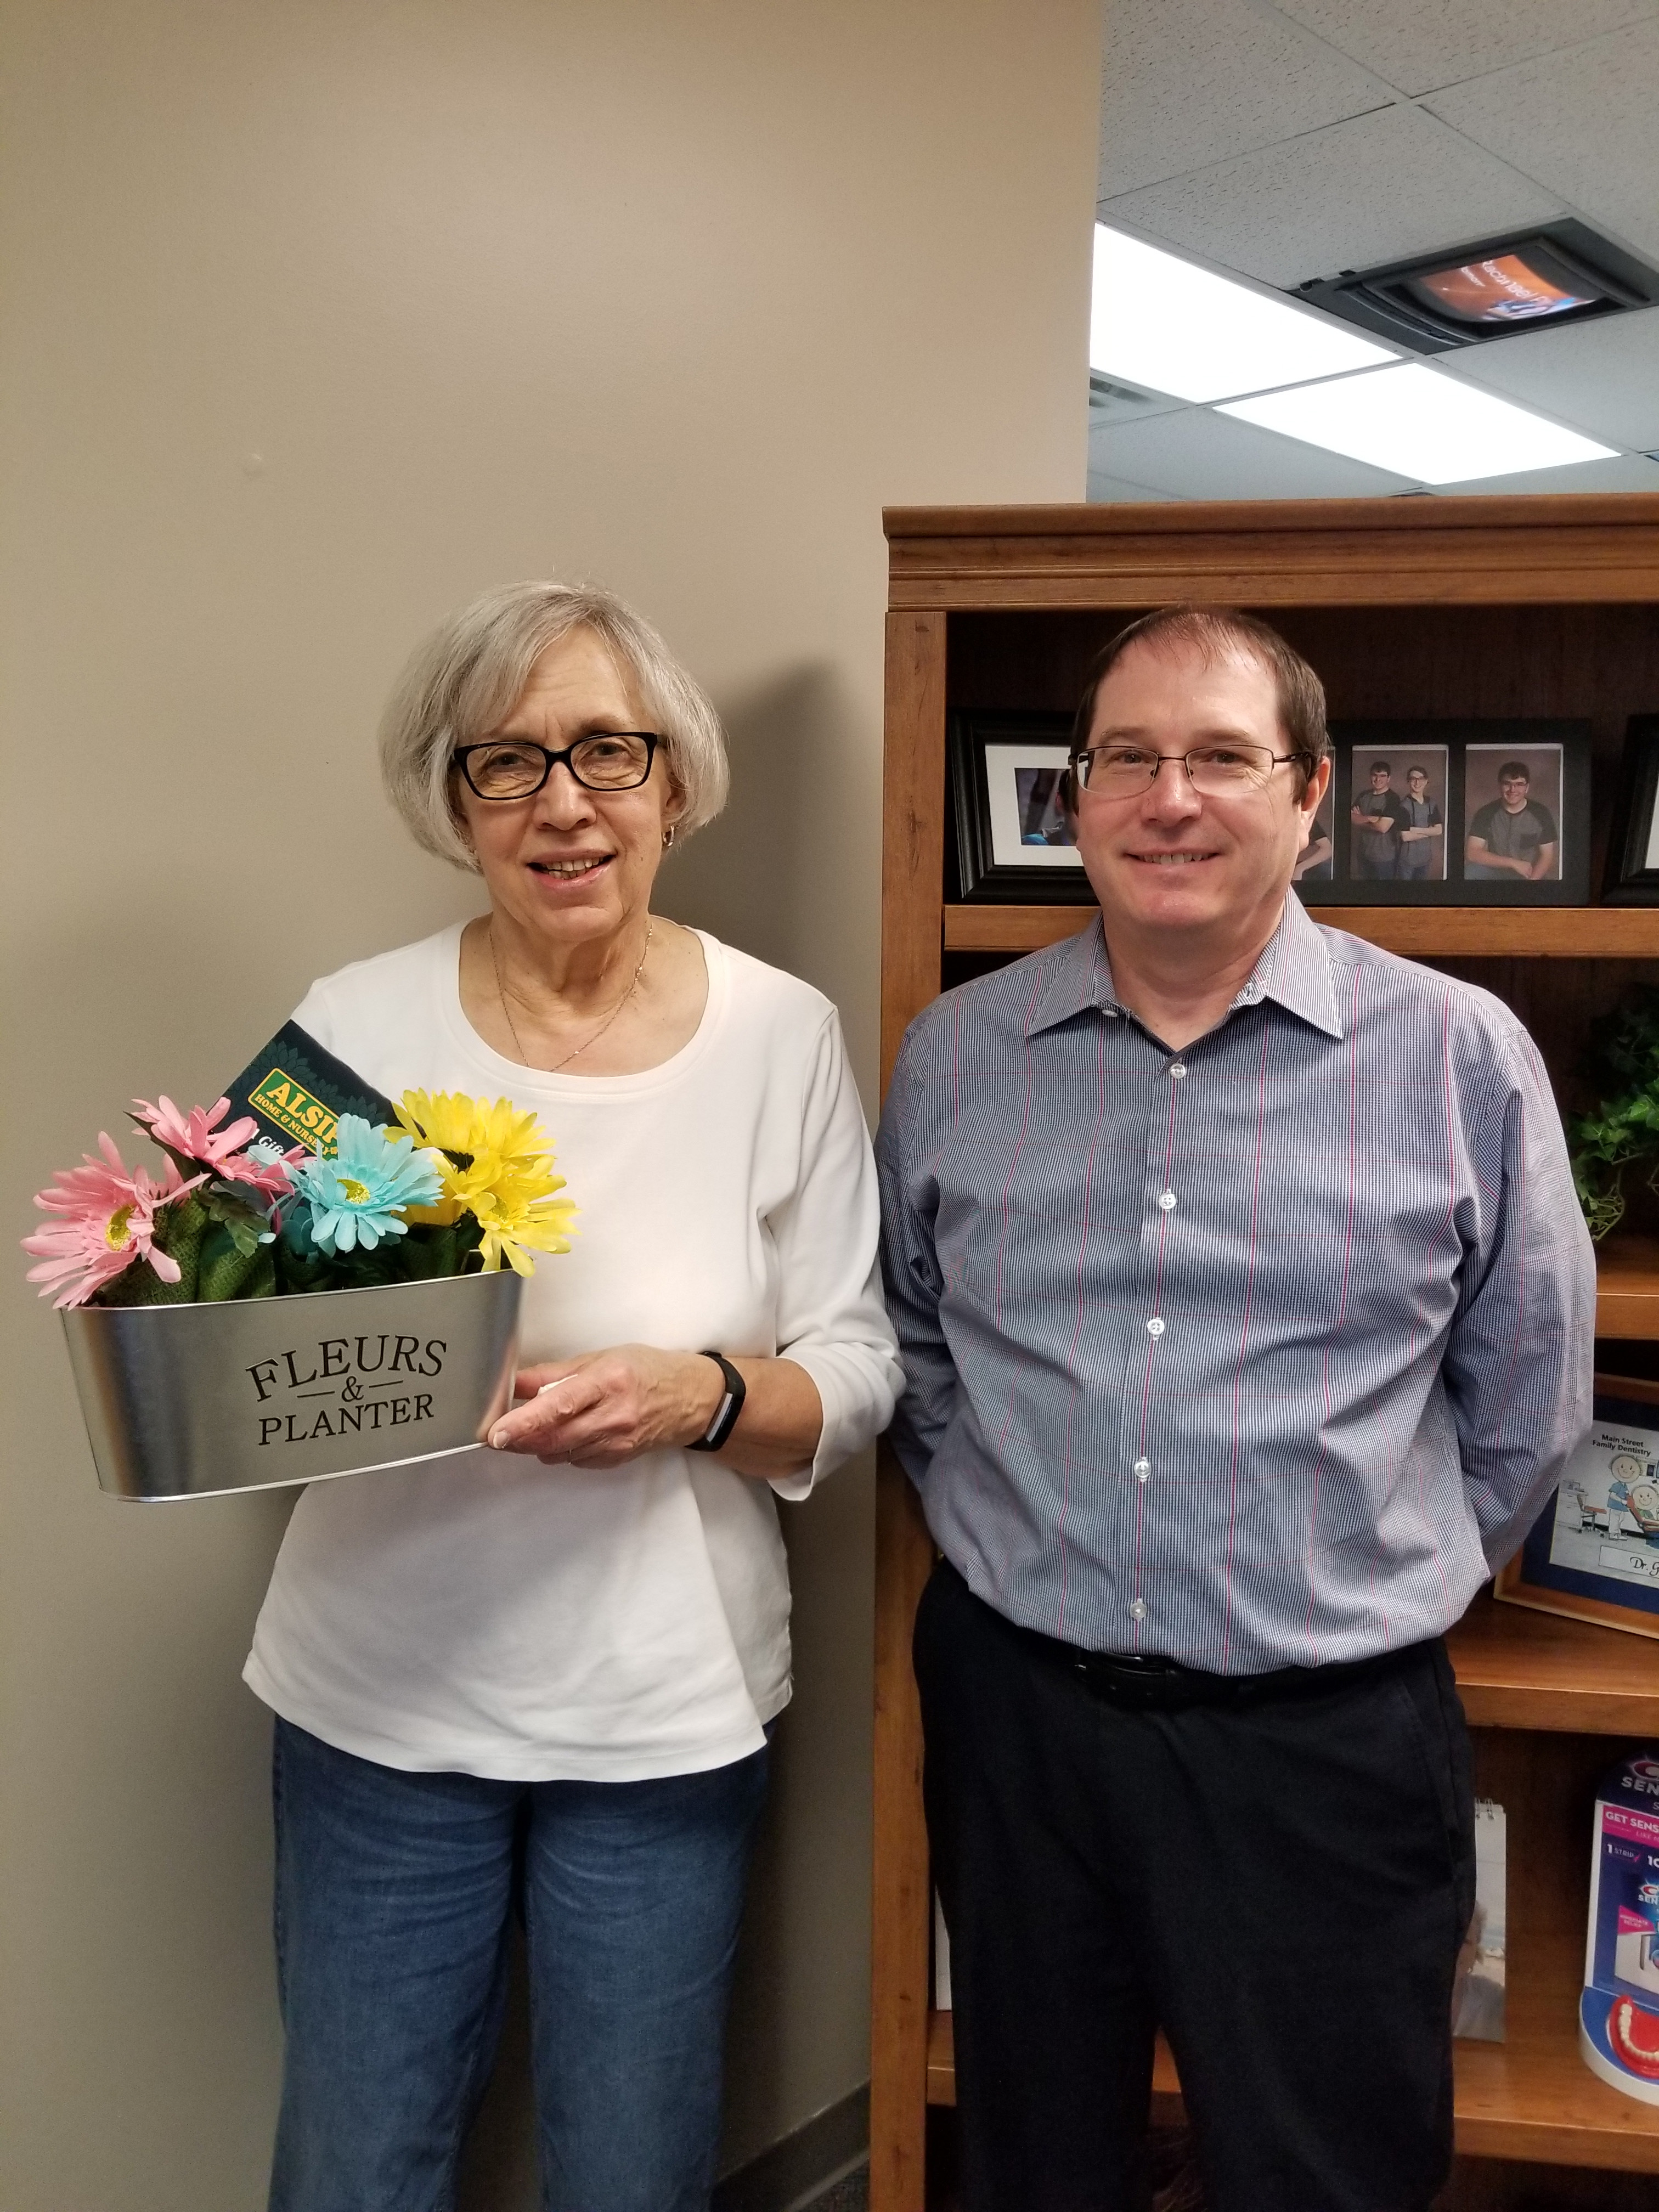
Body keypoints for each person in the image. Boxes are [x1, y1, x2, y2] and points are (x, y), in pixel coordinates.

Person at [876, 605, 1595, 2212]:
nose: (1169, 798)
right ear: (1078, 798)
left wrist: (1342, 1576)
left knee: (1324, 2177)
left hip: (1322, 1744)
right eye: (1126, 759)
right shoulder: (962, 1056)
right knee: (1031, 2161)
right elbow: (918, 1349)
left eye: (1220, 757)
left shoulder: (1457, 1058)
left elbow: (1527, 1399)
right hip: (1023, 1727)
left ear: (1312, 796)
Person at [244, 581, 902, 2212]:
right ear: (450, 800)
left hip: (662, 1721)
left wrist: (696, 1395)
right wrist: (371, 1371)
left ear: (675, 782)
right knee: (355, 2169)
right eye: (507, 763)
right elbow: (242, 1344)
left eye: (608, 752)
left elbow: (865, 1368)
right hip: (377, 1707)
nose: (565, 805)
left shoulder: (781, 1034)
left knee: (635, 2172)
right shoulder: (346, 1027)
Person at [1466, 759, 1559, 882]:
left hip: (1529, 874)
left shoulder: (1541, 813)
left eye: (1519, 784)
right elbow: (1472, 853)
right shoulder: (1486, 813)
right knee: (1470, 872)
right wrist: (1513, 863)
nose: (1513, 790)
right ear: (1500, 786)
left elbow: (1547, 856)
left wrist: (1532, 882)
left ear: (1527, 788)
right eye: (1507, 784)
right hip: (1495, 872)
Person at [1351, 755, 1406, 877]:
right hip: (1364, 854)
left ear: (1389, 778)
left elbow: (1383, 828)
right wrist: (1371, 819)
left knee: (1383, 894)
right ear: (1371, 776)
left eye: (1382, 776)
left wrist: (1362, 819)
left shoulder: (1393, 798)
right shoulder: (1363, 795)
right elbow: (1352, 819)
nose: (1378, 779)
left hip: (1385, 858)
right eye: (1375, 775)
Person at [1397, 761, 1444, 881]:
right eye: (1413, 779)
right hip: (1407, 862)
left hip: (1425, 860)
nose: (1417, 783)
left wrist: (1415, 830)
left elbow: (1439, 831)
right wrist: (1429, 831)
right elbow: (1406, 836)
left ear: (1426, 781)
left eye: (1421, 779)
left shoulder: (1432, 803)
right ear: (1408, 781)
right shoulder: (1404, 806)